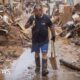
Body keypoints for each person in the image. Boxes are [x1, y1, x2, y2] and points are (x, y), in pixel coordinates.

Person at [25, 4, 55, 76]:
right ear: (34, 11)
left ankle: (44, 69)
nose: (38, 12)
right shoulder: (32, 18)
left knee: (44, 54)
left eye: (40, 10)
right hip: (35, 40)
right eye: (36, 10)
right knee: (37, 53)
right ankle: (38, 67)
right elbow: (25, 26)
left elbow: (51, 26)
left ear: (42, 10)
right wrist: (30, 24)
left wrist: (53, 35)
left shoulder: (46, 18)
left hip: (44, 40)